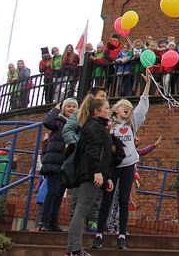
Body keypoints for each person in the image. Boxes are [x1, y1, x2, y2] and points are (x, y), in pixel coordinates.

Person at [91, 74, 151, 251]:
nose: (128, 109)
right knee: (106, 199)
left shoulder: (132, 123)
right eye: (125, 106)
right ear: (116, 109)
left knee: (124, 200)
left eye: (129, 107)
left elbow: (143, 106)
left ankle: (122, 236)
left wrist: (147, 85)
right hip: (112, 166)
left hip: (128, 165)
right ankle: (99, 235)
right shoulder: (108, 124)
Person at [66, 97, 115, 256]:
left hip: (94, 173)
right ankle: (75, 249)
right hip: (90, 175)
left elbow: (105, 155)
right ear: (97, 111)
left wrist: (107, 175)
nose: (109, 110)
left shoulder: (98, 127)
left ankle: (71, 250)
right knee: (81, 211)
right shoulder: (93, 127)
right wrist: (97, 172)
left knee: (81, 210)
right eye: (107, 108)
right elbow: (93, 152)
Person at [63, 86, 109, 234]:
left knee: (94, 196)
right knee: (79, 198)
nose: (104, 99)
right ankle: (74, 235)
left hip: (94, 161)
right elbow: (68, 130)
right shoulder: (82, 115)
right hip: (83, 162)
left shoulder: (100, 122)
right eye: (101, 97)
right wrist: (79, 145)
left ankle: (92, 222)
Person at [39, 98, 79, 232]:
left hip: (66, 163)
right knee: (52, 191)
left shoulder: (76, 125)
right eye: (69, 106)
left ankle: (53, 221)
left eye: (74, 107)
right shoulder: (58, 121)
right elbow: (47, 122)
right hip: (54, 161)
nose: (72, 109)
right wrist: (55, 109)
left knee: (60, 194)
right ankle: (44, 221)